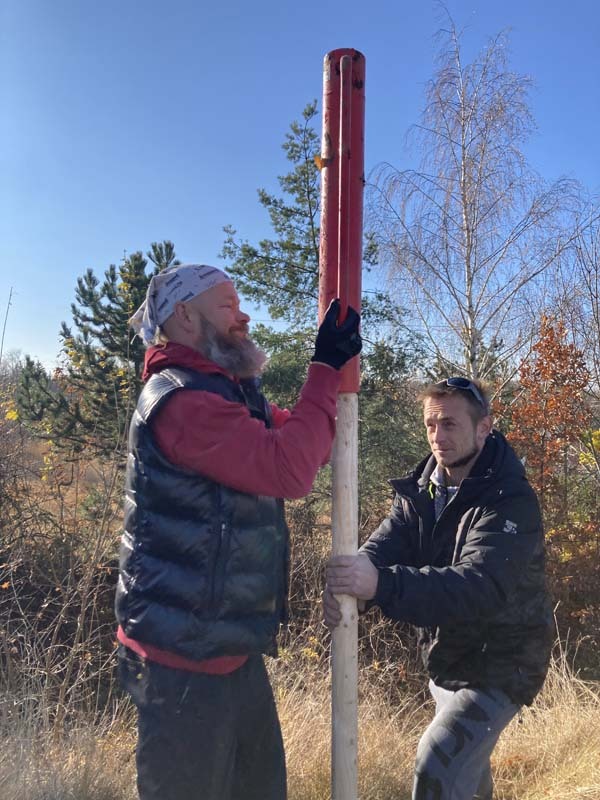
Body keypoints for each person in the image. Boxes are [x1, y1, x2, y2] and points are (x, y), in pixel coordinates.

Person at [116, 263, 361, 800]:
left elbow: (308, 446)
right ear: (185, 317)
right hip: (181, 660)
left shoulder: (225, 393)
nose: (244, 316)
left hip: (224, 647)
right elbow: (290, 470)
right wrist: (323, 368)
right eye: (228, 305)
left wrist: (329, 390)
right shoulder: (182, 402)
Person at [323, 377, 552, 800]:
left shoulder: (509, 499)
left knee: (439, 762)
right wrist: (352, 581)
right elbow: (386, 544)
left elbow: (478, 587)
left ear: (483, 428)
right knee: (468, 784)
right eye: (430, 424)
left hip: (502, 662)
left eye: (449, 424)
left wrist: (380, 584)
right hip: (448, 658)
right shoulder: (424, 489)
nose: (437, 436)